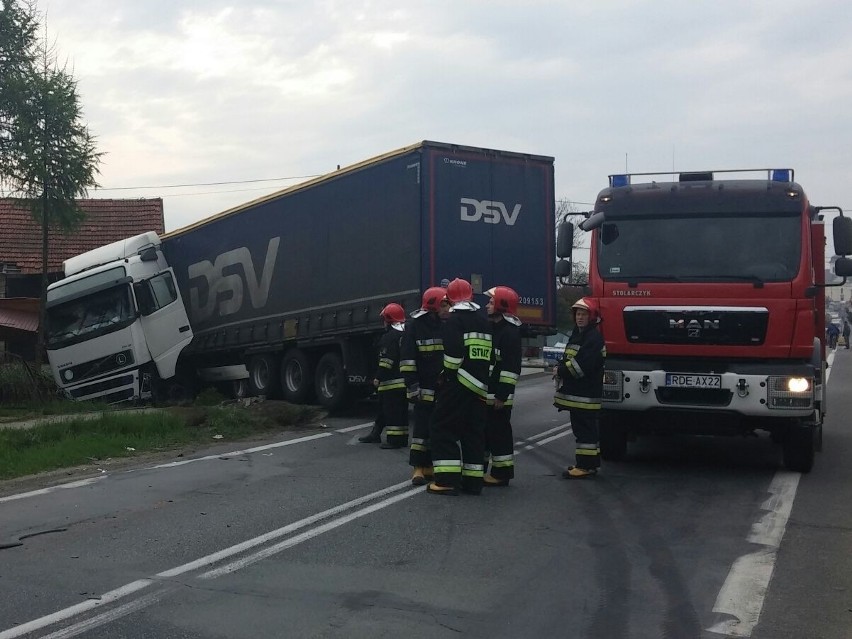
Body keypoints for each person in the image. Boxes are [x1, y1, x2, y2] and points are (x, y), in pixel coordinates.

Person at [427, 278, 492, 496]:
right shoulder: (483, 321)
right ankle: (473, 483)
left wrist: (447, 375)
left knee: (442, 427)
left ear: (450, 298)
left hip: (459, 383)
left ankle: (446, 480)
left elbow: (454, 356)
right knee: (472, 433)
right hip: (480, 386)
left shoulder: (454, 321)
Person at [553, 298, 605, 479]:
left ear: (592, 317)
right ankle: (586, 464)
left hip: (586, 396)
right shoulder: (579, 335)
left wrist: (560, 370)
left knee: (585, 432)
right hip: (579, 395)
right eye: (577, 314)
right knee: (583, 431)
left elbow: (580, 366)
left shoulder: (593, 338)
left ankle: (585, 467)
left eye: (583, 314)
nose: (580, 317)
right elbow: (571, 358)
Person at [400, 287, 447, 485]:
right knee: (421, 430)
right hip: (422, 388)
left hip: (442, 388)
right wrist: (412, 386)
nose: (448, 308)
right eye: (444, 304)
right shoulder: (415, 327)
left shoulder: (447, 325)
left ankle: (431, 466)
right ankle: (418, 468)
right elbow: (408, 359)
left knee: (438, 429)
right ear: (435, 306)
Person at [482, 286, 522, 487]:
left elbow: (510, 368)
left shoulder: (510, 333)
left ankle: (501, 473)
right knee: (486, 433)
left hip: (498, 396)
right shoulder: (493, 329)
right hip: (487, 394)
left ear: (501, 305)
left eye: (491, 302)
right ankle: (481, 470)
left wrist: (501, 395)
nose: (487, 305)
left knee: (499, 435)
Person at [361, 303, 409, 448]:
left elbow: (386, 361)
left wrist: (378, 377)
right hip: (402, 381)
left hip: (391, 382)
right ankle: (376, 434)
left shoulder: (389, 337)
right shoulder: (405, 334)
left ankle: (395, 440)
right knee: (387, 411)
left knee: (392, 413)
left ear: (389, 320)